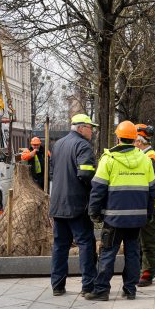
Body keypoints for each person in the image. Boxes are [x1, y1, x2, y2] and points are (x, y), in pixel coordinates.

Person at [86, 120, 155, 301]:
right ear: (134, 139)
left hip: (114, 218)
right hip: (137, 218)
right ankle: (130, 289)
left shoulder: (108, 159)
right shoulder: (144, 159)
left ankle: (101, 290)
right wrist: (148, 213)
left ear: (118, 137)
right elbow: (152, 190)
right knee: (133, 253)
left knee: (108, 252)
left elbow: (98, 188)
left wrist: (94, 212)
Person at [49, 114, 99, 296]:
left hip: (58, 203)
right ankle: (88, 285)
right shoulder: (83, 146)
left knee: (60, 245)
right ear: (80, 128)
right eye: (89, 127)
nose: (92, 131)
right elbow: (86, 175)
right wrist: (93, 191)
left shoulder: (58, 144)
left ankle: (57, 286)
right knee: (85, 243)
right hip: (77, 204)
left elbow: (53, 172)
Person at [134, 124, 155, 288]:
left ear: (139, 142)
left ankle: (147, 273)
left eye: (133, 141)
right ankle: (145, 269)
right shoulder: (146, 156)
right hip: (143, 204)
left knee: (148, 240)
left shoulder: (151, 158)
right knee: (141, 239)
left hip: (150, 206)